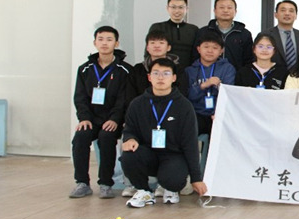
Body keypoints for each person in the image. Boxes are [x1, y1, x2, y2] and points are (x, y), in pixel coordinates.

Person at [120, 58, 207, 208]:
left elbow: (190, 144)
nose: (160, 77)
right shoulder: (137, 104)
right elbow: (130, 130)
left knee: (172, 179)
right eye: (156, 73)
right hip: (148, 154)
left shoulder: (184, 106)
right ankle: (144, 191)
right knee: (128, 156)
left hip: (173, 156)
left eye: (166, 73)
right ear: (149, 77)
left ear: (174, 78)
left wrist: (196, 178)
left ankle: (171, 189)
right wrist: (130, 139)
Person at [70, 26, 133, 199]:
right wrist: (84, 118)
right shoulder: (85, 69)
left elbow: (123, 99)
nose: (105, 43)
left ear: (116, 43)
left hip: (113, 120)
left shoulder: (125, 70)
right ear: (95, 42)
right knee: (80, 137)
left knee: (106, 137)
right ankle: (82, 183)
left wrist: (115, 119)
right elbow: (80, 97)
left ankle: (106, 184)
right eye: (101, 39)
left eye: (109, 39)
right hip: (91, 119)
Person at [182, 30, 236, 137]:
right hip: (196, 114)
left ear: (221, 51)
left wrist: (218, 86)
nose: (210, 51)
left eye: (215, 48)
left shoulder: (227, 69)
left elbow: (229, 95)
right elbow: (188, 97)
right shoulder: (190, 71)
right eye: (206, 47)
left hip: (219, 114)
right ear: (199, 49)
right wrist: (203, 85)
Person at [195, 0, 254, 70]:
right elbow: (195, 56)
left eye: (229, 8)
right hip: (206, 74)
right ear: (215, 11)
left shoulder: (244, 34)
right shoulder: (203, 32)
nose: (225, 10)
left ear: (235, 11)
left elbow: (249, 59)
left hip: (236, 75)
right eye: (221, 7)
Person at [148, 0, 200, 71]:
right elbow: (149, 52)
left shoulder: (194, 29)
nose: (177, 11)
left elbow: (196, 54)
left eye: (181, 7)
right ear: (167, 8)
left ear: (186, 9)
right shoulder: (157, 27)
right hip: (163, 72)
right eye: (173, 7)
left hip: (187, 72)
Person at [128, 30, 180, 98]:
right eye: (152, 43)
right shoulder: (138, 69)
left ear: (168, 47)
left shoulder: (178, 68)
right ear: (147, 48)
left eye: (161, 43)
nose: (157, 46)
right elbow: (130, 94)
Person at [266, 0, 299, 69]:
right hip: (272, 74)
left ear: (296, 16)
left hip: (298, 74)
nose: (287, 13)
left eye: (291, 11)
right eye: (283, 10)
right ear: (275, 15)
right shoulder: (266, 35)